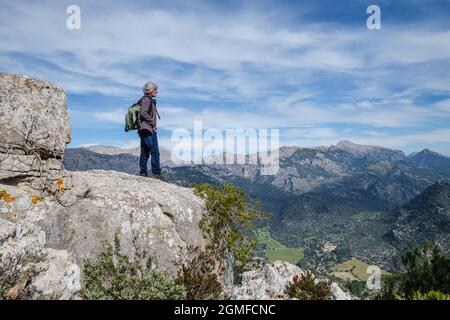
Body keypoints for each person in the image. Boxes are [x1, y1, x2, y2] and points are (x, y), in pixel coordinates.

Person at [138, 81, 163, 180]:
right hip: (148, 129)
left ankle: (143, 172)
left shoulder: (145, 99)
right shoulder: (147, 100)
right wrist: (153, 124)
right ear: (150, 90)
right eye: (155, 89)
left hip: (143, 129)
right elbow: (143, 113)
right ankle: (156, 173)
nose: (156, 92)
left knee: (145, 152)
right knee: (155, 151)